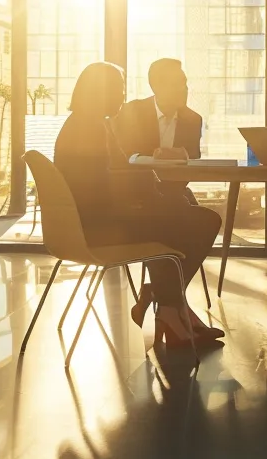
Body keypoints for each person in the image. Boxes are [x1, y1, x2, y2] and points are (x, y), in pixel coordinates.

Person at [54, 61, 224, 346]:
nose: (122, 96)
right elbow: (109, 181)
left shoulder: (89, 123)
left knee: (181, 214)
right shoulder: (90, 128)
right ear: (100, 92)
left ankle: (170, 306)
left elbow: (117, 174)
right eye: (118, 89)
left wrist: (152, 195)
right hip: (102, 227)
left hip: (98, 218)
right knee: (204, 221)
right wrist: (152, 197)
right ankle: (171, 308)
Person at [114, 58, 203, 161]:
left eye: (184, 83)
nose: (184, 89)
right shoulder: (131, 112)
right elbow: (124, 156)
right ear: (155, 87)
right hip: (139, 176)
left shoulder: (193, 120)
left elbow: (193, 160)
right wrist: (154, 158)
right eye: (176, 84)